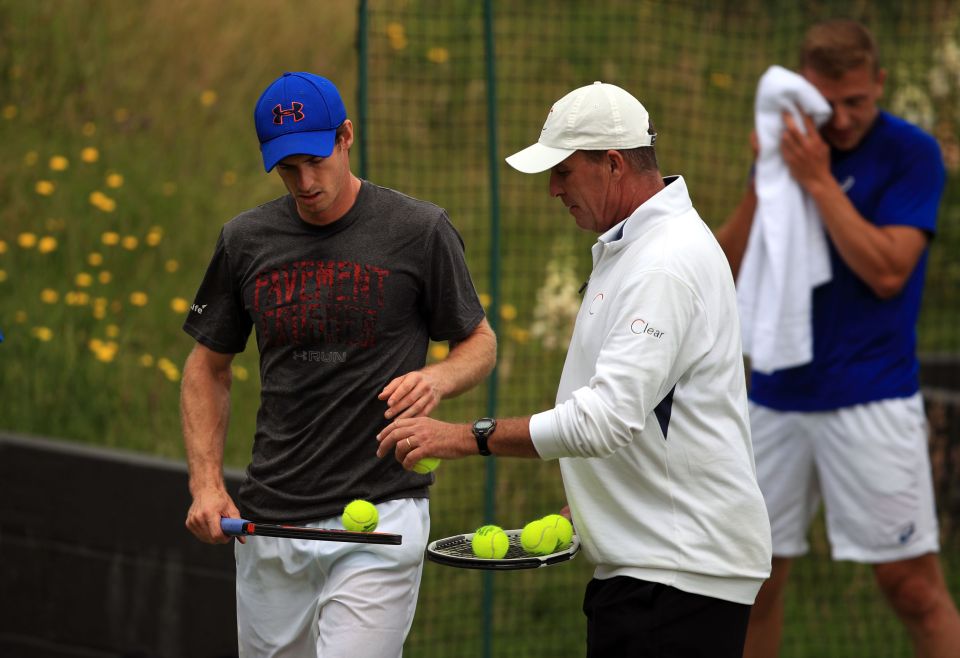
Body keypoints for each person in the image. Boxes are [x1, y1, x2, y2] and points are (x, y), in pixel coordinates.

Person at [376, 80, 772, 657]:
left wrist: (467, 437)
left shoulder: (663, 262)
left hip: (676, 580)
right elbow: (657, 412)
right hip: (662, 572)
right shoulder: (639, 247)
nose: (552, 191)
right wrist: (597, 501)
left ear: (613, 164)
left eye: (562, 172)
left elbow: (603, 420)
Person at [180, 71, 496, 658]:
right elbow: (206, 367)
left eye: (314, 159)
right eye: (286, 167)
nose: (304, 181)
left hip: (380, 514)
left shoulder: (419, 229)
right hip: (269, 519)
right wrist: (205, 483)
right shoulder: (244, 240)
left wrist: (437, 377)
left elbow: (478, 341)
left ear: (346, 136)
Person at [714, 19, 960, 658]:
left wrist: (819, 182)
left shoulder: (910, 152)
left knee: (910, 587)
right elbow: (724, 272)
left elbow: (886, 271)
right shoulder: (788, 147)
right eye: (830, 104)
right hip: (773, 396)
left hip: (872, 395)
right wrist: (767, 177)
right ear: (804, 92)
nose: (844, 119)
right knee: (751, 584)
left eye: (858, 102)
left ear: (879, 83)